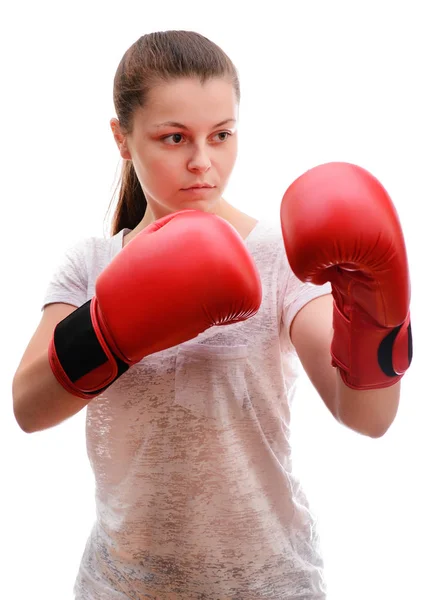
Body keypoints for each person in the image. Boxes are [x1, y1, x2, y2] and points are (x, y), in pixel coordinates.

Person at [12, 30, 412, 599]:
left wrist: (377, 305)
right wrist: (111, 329)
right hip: (118, 587)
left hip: (270, 583)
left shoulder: (277, 257)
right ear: (122, 140)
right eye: (174, 138)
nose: (203, 163)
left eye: (221, 135)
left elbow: (368, 417)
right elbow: (27, 409)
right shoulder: (91, 264)